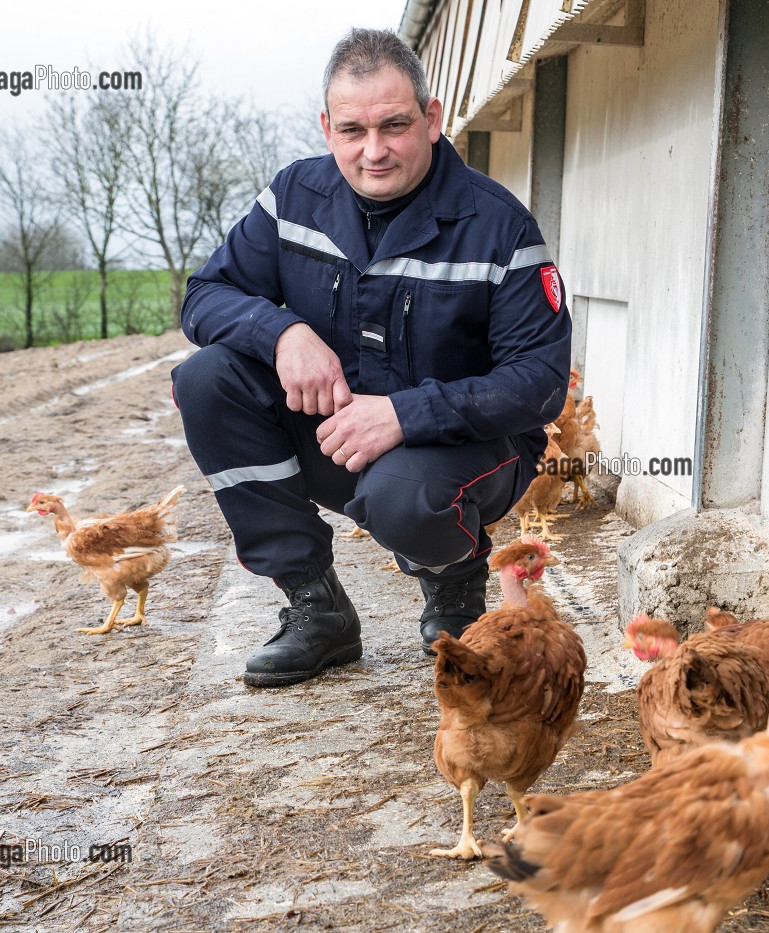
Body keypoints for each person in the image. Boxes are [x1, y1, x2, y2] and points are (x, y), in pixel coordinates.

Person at [171, 28, 570, 687]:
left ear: (432, 118)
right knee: (206, 379)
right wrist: (279, 333)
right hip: (339, 433)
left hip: (469, 452)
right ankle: (315, 607)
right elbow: (204, 295)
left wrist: (406, 414)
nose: (374, 151)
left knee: (405, 495)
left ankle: (454, 576)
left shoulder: (499, 227)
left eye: (395, 126)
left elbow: (540, 383)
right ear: (327, 127)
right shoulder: (293, 198)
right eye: (353, 130)